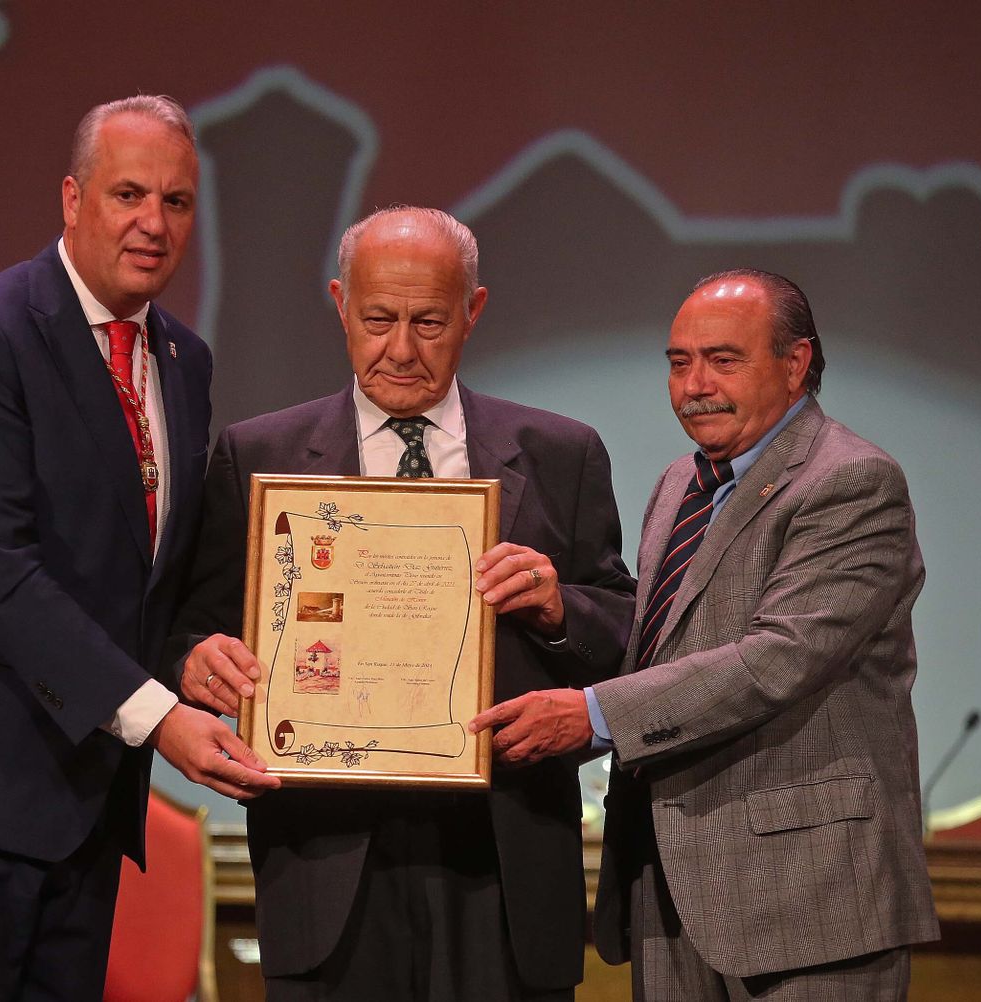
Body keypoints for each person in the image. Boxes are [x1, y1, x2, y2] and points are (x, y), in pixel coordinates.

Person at [0, 95, 279, 1000]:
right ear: (73, 200)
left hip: (77, 805)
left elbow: (147, 578)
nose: (153, 223)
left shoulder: (184, 361)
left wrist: (192, 654)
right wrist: (158, 716)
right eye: (128, 195)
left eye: (177, 202)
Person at [171, 206, 636, 1000]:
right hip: (328, 857)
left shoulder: (562, 453)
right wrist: (192, 662)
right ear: (341, 305)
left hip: (504, 853)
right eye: (379, 319)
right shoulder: (260, 455)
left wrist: (558, 608)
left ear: (473, 311)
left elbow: (627, 631)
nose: (400, 350)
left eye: (428, 321)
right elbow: (193, 623)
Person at [474, 269, 939, 999]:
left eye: (724, 360)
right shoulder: (679, 486)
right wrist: (557, 608)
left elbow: (777, 659)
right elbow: (667, 646)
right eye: (678, 362)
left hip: (806, 898)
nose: (695, 385)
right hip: (668, 886)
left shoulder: (851, 482)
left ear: (796, 364)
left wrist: (592, 715)